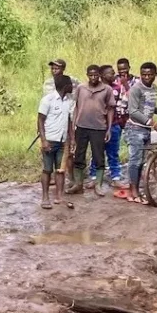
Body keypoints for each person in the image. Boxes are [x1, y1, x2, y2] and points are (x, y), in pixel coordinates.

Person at [69, 65, 115, 196]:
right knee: (79, 155)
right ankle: (78, 184)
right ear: (87, 75)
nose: (93, 78)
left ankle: (98, 185)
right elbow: (76, 107)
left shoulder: (107, 89)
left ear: (99, 75)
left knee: (99, 157)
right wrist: (74, 124)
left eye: (96, 75)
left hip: (99, 127)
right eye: (91, 75)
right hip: (82, 126)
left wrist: (109, 128)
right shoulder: (81, 88)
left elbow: (111, 109)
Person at [125, 62, 157, 204]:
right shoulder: (135, 89)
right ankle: (133, 191)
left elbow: (148, 105)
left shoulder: (154, 88)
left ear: (155, 75)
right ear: (140, 74)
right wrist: (153, 123)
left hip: (145, 129)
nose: (146, 77)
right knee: (135, 161)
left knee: (141, 162)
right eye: (144, 74)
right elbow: (133, 111)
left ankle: (137, 189)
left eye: (150, 74)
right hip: (135, 129)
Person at [38, 74, 74, 209]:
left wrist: (72, 139)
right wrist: (44, 140)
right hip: (50, 140)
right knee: (47, 169)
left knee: (60, 170)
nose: (72, 86)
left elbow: (69, 122)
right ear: (65, 86)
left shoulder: (68, 101)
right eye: (70, 84)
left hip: (62, 141)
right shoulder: (48, 100)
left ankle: (59, 196)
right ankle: (45, 198)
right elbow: (40, 120)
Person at [89, 65, 126, 187]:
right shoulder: (95, 88)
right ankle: (94, 177)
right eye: (111, 73)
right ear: (103, 75)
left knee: (113, 152)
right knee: (97, 152)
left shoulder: (118, 88)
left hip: (114, 125)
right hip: (98, 126)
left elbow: (122, 106)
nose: (114, 74)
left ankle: (115, 177)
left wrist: (121, 123)